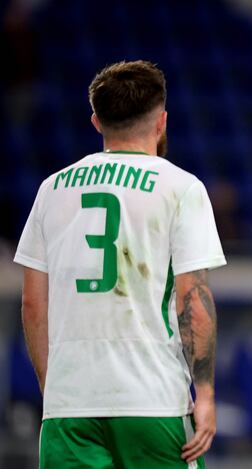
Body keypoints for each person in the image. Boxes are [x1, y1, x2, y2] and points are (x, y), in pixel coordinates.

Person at [14, 60, 225, 468]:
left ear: (96, 121)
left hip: (69, 406)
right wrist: (207, 394)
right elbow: (193, 301)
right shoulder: (180, 187)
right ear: (162, 121)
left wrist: (55, 391)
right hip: (151, 401)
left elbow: (33, 305)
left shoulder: (51, 189)